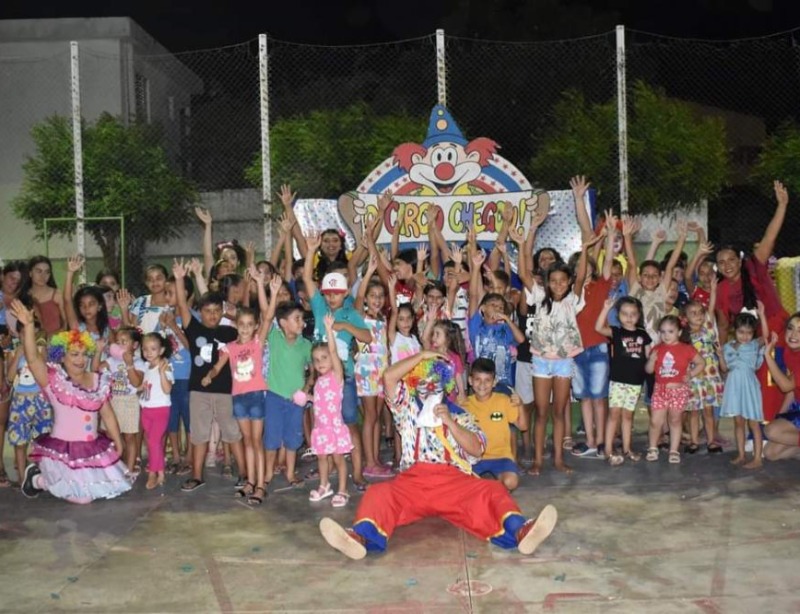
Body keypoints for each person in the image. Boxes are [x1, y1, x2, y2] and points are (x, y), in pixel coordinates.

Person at [318, 351, 558, 560]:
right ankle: (359, 537)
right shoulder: (406, 408)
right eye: (423, 381)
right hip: (413, 482)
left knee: (493, 491)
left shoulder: (461, 414)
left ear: (446, 386)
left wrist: (450, 423)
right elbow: (389, 377)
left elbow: (477, 448)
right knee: (378, 492)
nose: (429, 386)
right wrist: (421, 356)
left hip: (454, 482)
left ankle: (521, 531)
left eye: (435, 382)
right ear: (414, 383)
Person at [11, 300, 131, 503]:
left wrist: (118, 442)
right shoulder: (54, 380)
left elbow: (107, 414)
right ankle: (38, 480)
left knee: (104, 490)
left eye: (84, 354)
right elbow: (32, 359)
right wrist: (29, 327)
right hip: (62, 452)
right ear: (62, 355)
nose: (80, 359)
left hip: (91, 448)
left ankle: (49, 481)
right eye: (74, 354)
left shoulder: (96, 379)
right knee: (81, 498)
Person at [203, 270, 280, 504]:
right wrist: (210, 375)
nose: (245, 328)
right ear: (236, 325)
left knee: (256, 441)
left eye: (249, 324)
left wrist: (269, 290)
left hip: (256, 396)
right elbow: (218, 366)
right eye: (242, 324)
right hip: (239, 398)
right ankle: (249, 480)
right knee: (247, 441)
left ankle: (259, 485)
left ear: (255, 327)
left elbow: (268, 317)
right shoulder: (230, 347)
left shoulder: (258, 342)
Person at [716, 180, 789, 421]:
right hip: (752, 342)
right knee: (754, 382)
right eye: (721, 262)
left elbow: (769, 237)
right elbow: (725, 325)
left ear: (739, 260)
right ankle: (759, 430)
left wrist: (782, 205)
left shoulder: (754, 267)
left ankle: (779, 425)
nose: (726, 266)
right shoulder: (722, 290)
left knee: (777, 378)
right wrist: (723, 354)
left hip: (777, 331)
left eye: (730, 260)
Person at [304, 232, 372, 490]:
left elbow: (367, 336)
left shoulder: (350, 312)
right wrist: (311, 251)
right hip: (320, 379)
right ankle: (328, 467)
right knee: (323, 424)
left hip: (343, 379)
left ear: (345, 294)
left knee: (350, 424)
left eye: (337, 293)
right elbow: (308, 280)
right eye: (328, 293)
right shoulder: (320, 307)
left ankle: (357, 472)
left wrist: (345, 325)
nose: (332, 298)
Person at [172, 260, 246, 492]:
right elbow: (183, 307)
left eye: (217, 311)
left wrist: (231, 316)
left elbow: (248, 323)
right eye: (207, 311)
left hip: (225, 389)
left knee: (232, 433)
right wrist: (179, 278)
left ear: (221, 312)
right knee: (199, 434)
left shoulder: (229, 331)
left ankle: (244, 474)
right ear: (200, 312)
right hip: (199, 390)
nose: (212, 315)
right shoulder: (194, 328)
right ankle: (197, 475)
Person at [527, 232, 597, 475]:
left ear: (569, 282)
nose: (558, 284)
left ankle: (558, 459)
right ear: (546, 282)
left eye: (562, 280)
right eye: (553, 280)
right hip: (541, 361)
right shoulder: (538, 297)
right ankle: (537, 460)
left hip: (563, 363)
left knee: (558, 412)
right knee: (541, 412)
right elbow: (525, 274)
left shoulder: (573, 300)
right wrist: (526, 239)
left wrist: (586, 247)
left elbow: (580, 278)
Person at [595, 297, 651, 465]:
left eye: (633, 314)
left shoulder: (643, 334)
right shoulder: (616, 332)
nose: (629, 317)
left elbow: (648, 357)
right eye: (625, 314)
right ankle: (608, 450)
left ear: (639, 315)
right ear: (618, 315)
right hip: (618, 381)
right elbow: (598, 328)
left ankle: (627, 449)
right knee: (614, 415)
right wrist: (606, 308)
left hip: (635, 382)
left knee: (628, 416)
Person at [263, 301, 312, 488]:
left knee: (293, 438)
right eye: (297, 319)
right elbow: (267, 317)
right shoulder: (274, 337)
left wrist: (307, 387)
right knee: (272, 438)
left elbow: (313, 369)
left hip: (296, 401)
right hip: (274, 397)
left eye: (302, 319)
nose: (302, 323)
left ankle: (290, 473)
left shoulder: (306, 345)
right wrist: (272, 294)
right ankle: (268, 473)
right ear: (283, 323)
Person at [645, 315, 705, 464]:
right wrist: (651, 361)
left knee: (675, 420)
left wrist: (690, 374)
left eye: (670, 331)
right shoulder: (657, 349)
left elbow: (701, 363)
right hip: (660, 389)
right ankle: (652, 447)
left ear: (678, 332)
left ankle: (674, 450)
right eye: (663, 331)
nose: (666, 335)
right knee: (655, 421)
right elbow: (648, 371)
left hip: (679, 391)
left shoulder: (686, 349)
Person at [463, 358, 528, 491]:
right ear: (470, 381)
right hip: (475, 459)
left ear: (494, 382)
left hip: (501, 456)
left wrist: (520, 405)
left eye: (487, 380)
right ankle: (489, 489)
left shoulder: (503, 400)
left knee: (511, 482)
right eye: (477, 379)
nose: (482, 384)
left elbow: (523, 426)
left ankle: (493, 489)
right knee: (464, 487)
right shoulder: (464, 406)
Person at [354, 255, 392, 478]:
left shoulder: (383, 320)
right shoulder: (361, 316)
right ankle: (369, 462)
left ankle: (375, 458)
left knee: (376, 416)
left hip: (382, 372)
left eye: (381, 296)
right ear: (366, 298)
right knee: (369, 417)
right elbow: (358, 296)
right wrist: (368, 273)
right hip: (367, 373)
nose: (377, 300)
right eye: (373, 296)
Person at [308, 314, 353, 507]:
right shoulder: (318, 381)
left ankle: (343, 490)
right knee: (321, 458)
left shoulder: (337, 377)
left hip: (334, 428)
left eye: (324, 358)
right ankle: (324, 485)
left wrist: (328, 330)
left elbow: (334, 353)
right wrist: (307, 398)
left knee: (338, 458)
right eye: (316, 360)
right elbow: (320, 403)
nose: (320, 363)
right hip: (321, 428)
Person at [719, 308, 769, 468]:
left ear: (753, 332)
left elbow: (766, 337)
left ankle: (757, 458)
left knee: (753, 423)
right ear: (735, 330)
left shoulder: (754, 345)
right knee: (738, 423)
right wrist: (720, 356)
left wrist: (761, 315)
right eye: (741, 332)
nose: (745, 336)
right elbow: (725, 369)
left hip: (749, 387)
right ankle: (741, 455)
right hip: (734, 387)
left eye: (749, 332)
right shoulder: (727, 347)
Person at [6, 321, 53, 481]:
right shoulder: (13, 352)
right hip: (20, 401)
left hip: (40, 399)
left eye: (32, 332)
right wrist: (18, 355)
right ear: (18, 334)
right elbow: (10, 378)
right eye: (24, 333)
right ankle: (21, 477)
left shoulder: (41, 350)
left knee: (41, 439)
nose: (29, 337)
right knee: (19, 441)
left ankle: (40, 477)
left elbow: (47, 374)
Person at [684, 277, 724, 454]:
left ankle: (711, 441)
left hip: (710, 377)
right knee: (693, 412)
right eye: (693, 313)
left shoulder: (708, 327)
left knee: (708, 411)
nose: (698, 315)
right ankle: (693, 441)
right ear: (685, 317)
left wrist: (713, 290)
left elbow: (711, 307)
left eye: (700, 312)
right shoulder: (685, 336)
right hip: (694, 379)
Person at [98, 326, 145, 474]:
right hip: (112, 401)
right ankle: (116, 467)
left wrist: (129, 364)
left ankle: (129, 470)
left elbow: (137, 383)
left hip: (129, 402)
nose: (120, 345)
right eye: (118, 342)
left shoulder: (138, 362)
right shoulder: (111, 360)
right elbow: (95, 369)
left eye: (124, 342)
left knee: (129, 437)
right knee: (111, 436)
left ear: (135, 345)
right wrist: (98, 351)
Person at [139, 332, 174, 489]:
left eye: (153, 349)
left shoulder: (165, 366)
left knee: (153, 441)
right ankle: (161, 473)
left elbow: (167, 389)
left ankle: (152, 473)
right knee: (154, 444)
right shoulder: (147, 367)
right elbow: (145, 387)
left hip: (160, 410)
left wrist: (161, 373)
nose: (148, 352)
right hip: (146, 410)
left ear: (161, 350)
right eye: (145, 349)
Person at [763, 314, 800, 461]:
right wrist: (780, 416)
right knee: (770, 453)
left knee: (771, 431)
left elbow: (785, 386)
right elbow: (792, 391)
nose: (793, 335)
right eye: (790, 328)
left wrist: (768, 355)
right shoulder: (789, 352)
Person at [19, 255, 65, 337]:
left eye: (47, 272)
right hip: (30, 342)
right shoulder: (23, 296)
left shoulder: (58, 295)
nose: (43, 276)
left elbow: (66, 325)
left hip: (56, 343)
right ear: (30, 273)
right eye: (39, 271)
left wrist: (48, 338)